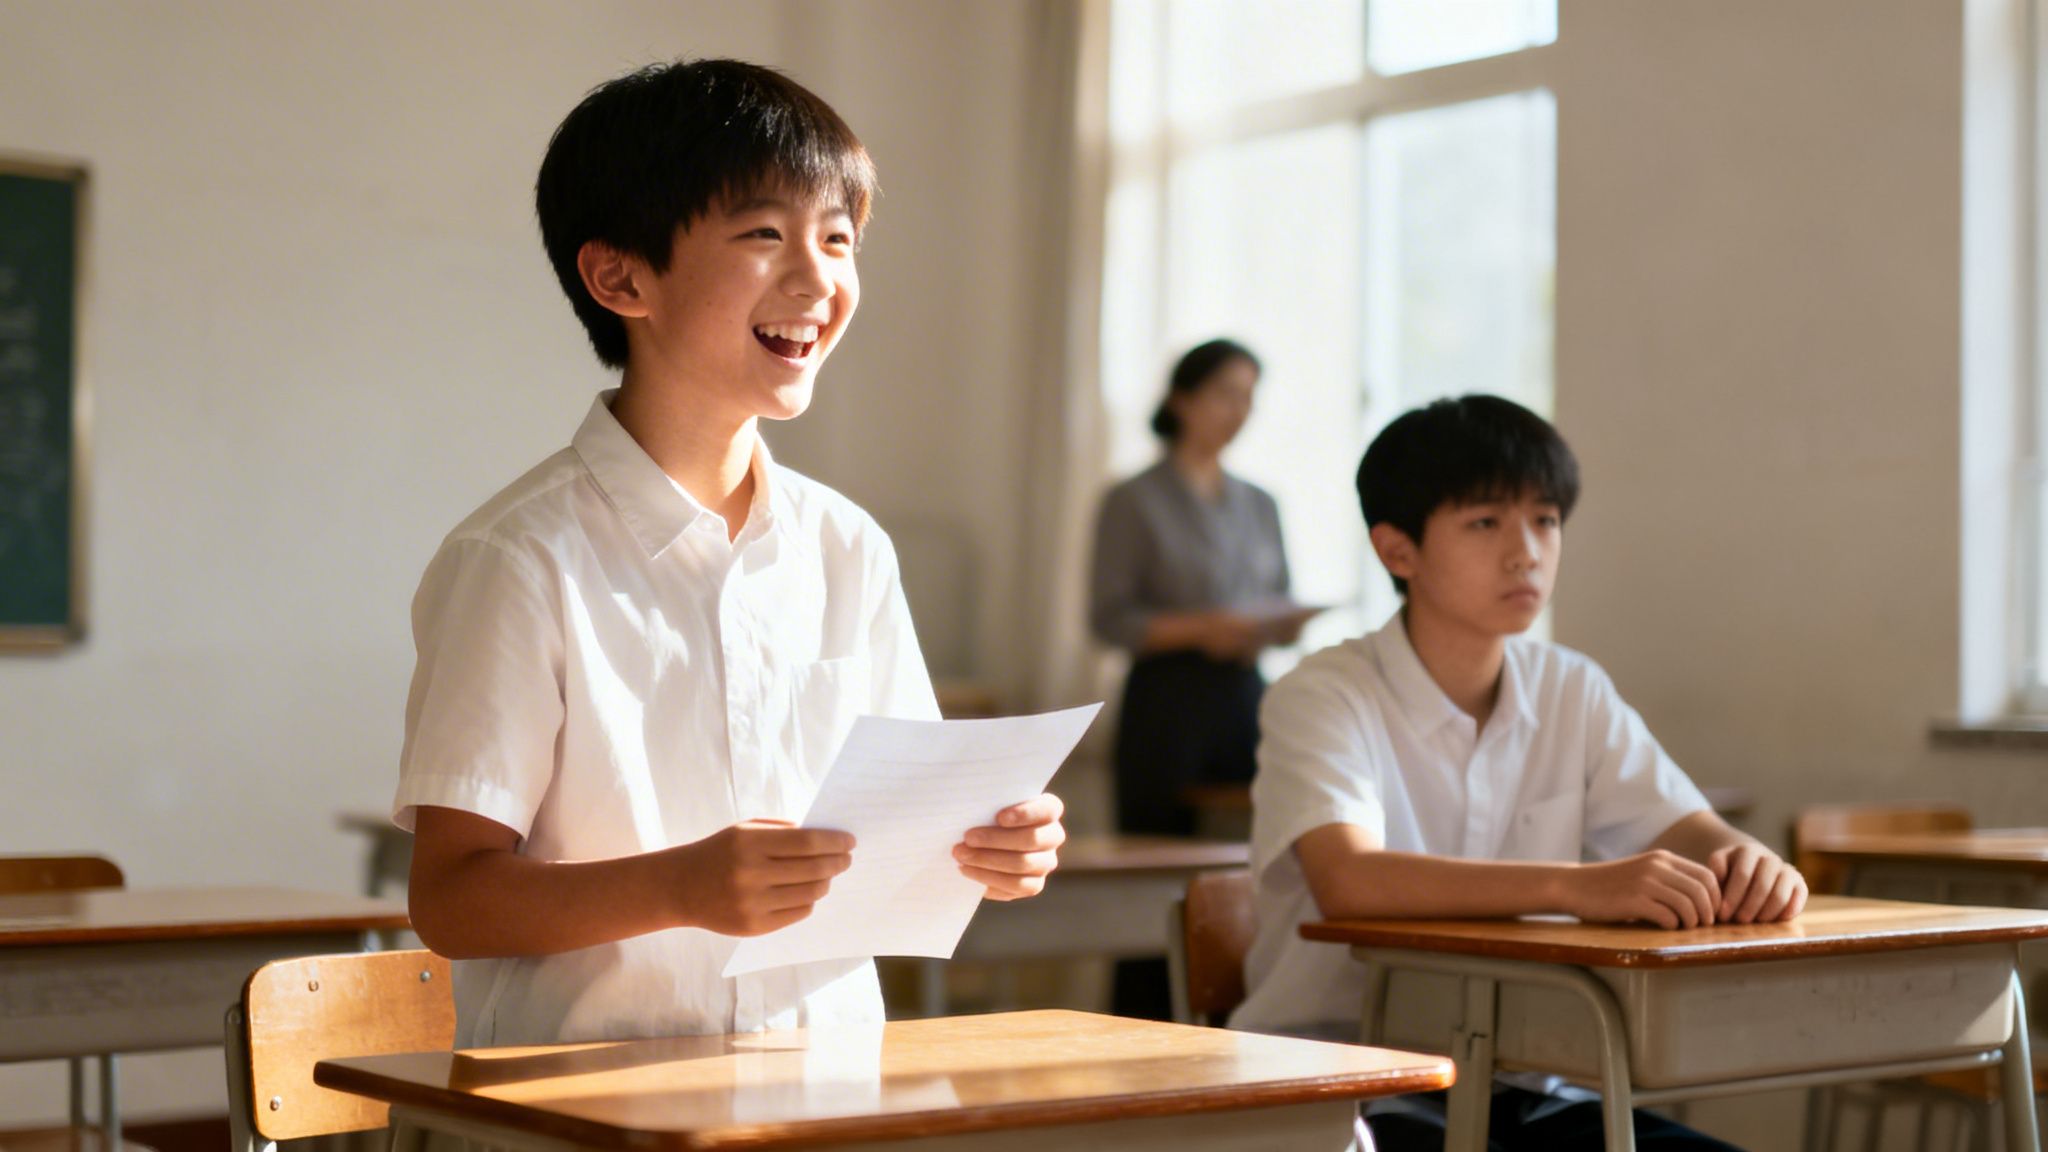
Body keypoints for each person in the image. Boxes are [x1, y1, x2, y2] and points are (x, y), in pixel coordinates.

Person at [393, 58, 1066, 1049]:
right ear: (621, 276)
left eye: (838, 239)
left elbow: (909, 828)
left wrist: (989, 845)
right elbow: (450, 901)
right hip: (583, 1102)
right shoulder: (520, 556)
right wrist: (676, 885)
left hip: (826, 1085)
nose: (819, 279)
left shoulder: (847, 547)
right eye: (764, 234)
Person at [1230, 395, 1804, 1151]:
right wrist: (1575, 886)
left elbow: (1689, 830)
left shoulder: (1572, 687)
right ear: (1397, 551)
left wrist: (1749, 863)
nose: (1526, 551)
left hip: (1534, 1084)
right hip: (1350, 1086)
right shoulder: (1324, 692)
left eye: (1546, 520)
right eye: (1484, 523)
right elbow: (1350, 879)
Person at [1088, 338, 1306, 1019]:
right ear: (1182, 399)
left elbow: (1280, 598)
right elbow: (1110, 617)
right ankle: (1144, 1031)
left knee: (1252, 861)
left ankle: (1245, 1017)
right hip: (1167, 702)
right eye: (1225, 394)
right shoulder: (1132, 499)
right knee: (1154, 882)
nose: (1238, 411)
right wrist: (1204, 627)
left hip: (1244, 696)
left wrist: (1276, 625)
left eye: (1248, 397)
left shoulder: (1259, 502)